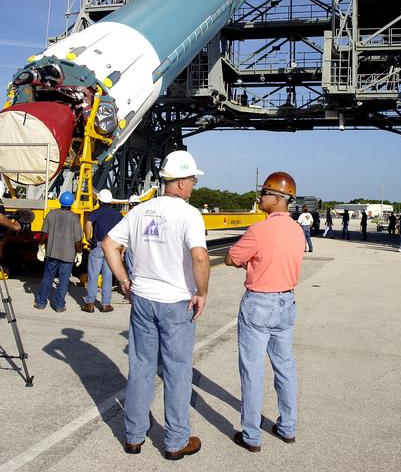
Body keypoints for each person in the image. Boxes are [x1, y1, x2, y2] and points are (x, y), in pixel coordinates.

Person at [102, 150, 210, 459]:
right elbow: (200, 256)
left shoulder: (140, 211)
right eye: (191, 179)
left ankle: (134, 436)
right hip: (176, 303)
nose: (193, 185)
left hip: (143, 301)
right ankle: (176, 441)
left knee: (141, 368)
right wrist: (201, 292)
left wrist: (124, 280)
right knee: (177, 372)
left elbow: (109, 245)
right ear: (178, 182)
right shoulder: (189, 213)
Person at [224, 171, 305, 451]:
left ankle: (251, 435)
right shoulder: (297, 230)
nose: (260, 197)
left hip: (259, 304)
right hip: (286, 303)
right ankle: (287, 427)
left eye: (265, 193)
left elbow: (231, 257)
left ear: (277, 199)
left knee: (252, 370)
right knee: (285, 366)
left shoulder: (259, 230)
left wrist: (249, 263)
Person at [34, 192, 82, 312]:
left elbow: (44, 234)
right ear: (71, 203)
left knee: (48, 277)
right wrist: (79, 252)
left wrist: (41, 246)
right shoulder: (74, 218)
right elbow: (78, 240)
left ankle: (40, 302)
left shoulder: (51, 214)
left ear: (60, 201)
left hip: (52, 252)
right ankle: (59, 305)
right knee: (64, 280)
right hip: (68, 255)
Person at [81, 189, 123, 313]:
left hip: (98, 245)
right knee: (108, 276)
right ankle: (106, 304)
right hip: (112, 247)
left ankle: (90, 303)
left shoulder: (96, 212)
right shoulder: (117, 214)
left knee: (93, 275)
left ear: (99, 200)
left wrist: (89, 238)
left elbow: (88, 223)